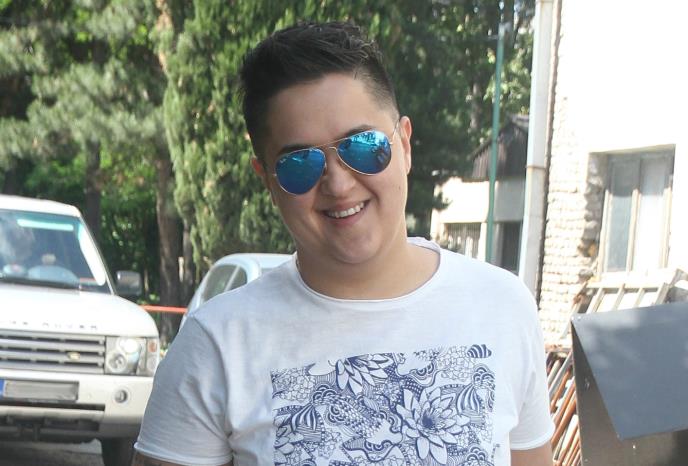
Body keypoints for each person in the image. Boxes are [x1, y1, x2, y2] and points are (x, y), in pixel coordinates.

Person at [133, 21, 554, 466]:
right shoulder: (217, 345)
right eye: (300, 163)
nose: (338, 183)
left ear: (405, 145)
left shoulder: (502, 307)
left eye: (364, 146)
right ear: (268, 181)